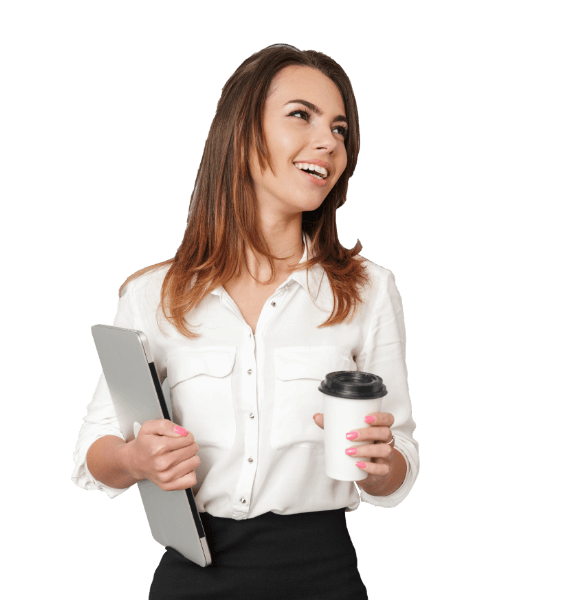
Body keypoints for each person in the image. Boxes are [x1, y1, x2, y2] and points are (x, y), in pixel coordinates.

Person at [72, 43, 419, 599]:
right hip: (192, 576)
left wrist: (377, 466)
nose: (328, 142)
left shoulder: (369, 290)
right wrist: (136, 458)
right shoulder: (152, 295)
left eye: (340, 128)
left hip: (323, 578)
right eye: (300, 115)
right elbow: (94, 451)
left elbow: (399, 461)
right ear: (242, 132)